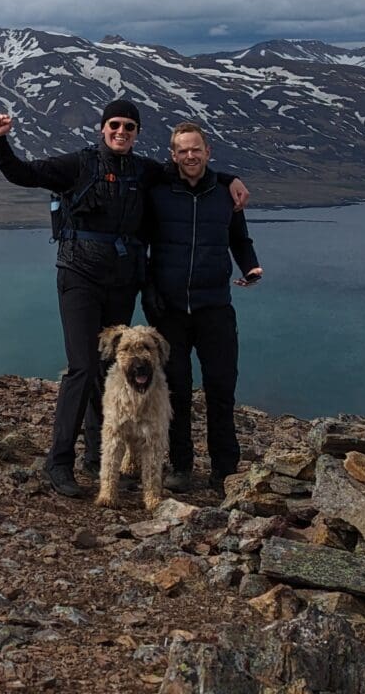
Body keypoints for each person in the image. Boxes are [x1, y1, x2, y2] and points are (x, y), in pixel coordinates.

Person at [0, 100, 246, 498]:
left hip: (122, 281)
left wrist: (228, 179)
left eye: (129, 126)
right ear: (103, 128)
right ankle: (59, 463)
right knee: (82, 365)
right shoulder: (79, 164)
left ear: (137, 132)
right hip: (80, 275)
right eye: (114, 125)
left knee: (107, 363)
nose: (121, 131)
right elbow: (23, 173)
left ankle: (96, 456)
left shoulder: (144, 170)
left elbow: (189, 167)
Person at [144, 121, 262, 493]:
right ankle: (181, 466)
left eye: (196, 149)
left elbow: (239, 240)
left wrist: (251, 267)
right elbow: (141, 244)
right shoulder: (158, 192)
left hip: (215, 308)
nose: (190, 156)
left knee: (221, 389)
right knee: (177, 390)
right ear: (173, 155)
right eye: (183, 150)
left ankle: (224, 470)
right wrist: (149, 291)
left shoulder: (227, 195)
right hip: (170, 311)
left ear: (208, 151)